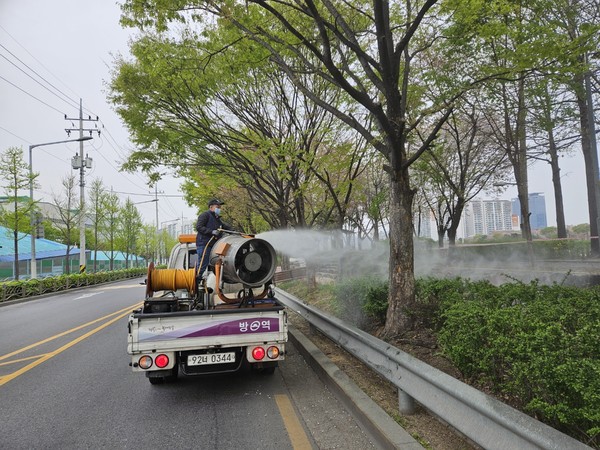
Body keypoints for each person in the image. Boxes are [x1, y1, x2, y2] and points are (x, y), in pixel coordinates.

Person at [195, 198, 232, 278]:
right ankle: (195, 282)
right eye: (217, 206)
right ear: (211, 207)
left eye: (219, 207)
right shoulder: (205, 215)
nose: (219, 208)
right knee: (203, 264)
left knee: (216, 263)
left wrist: (235, 232)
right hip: (204, 244)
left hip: (213, 245)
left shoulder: (217, 219)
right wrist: (211, 231)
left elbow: (225, 227)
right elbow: (199, 227)